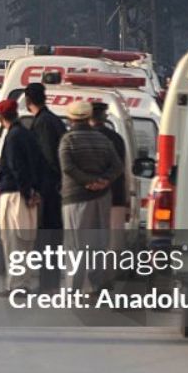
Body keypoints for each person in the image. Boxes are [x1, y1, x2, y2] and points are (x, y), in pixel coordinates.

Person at [59, 101, 123, 293]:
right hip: (102, 198)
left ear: (71, 118)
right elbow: (117, 166)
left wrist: (87, 182)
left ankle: (74, 286)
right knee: (98, 243)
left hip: (75, 198)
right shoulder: (104, 140)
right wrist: (103, 181)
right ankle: (97, 283)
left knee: (75, 245)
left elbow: (68, 167)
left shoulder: (68, 140)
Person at [0, 99, 44, 297]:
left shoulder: (13, 136)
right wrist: (34, 191)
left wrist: (26, 193)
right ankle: (22, 283)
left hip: (16, 195)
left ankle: (16, 286)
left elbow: (17, 168)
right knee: (25, 243)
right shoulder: (27, 134)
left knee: (13, 240)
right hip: (26, 194)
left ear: (0, 118)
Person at [23, 82, 67, 292]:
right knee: (51, 238)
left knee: (48, 239)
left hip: (49, 190)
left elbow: (48, 157)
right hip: (54, 188)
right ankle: (49, 282)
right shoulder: (52, 120)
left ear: (27, 100)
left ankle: (48, 284)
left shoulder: (43, 123)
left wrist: (40, 188)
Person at [90, 102, 130, 241]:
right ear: (105, 116)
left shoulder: (84, 138)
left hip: (91, 197)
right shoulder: (117, 138)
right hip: (115, 196)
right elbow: (123, 168)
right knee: (114, 245)